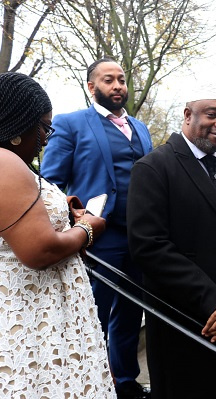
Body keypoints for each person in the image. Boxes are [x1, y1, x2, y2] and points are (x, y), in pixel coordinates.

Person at [127, 91, 216, 399]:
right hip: (192, 322)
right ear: (188, 115)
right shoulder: (153, 168)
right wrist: (208, 297)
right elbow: (148, 246)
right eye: (212, 114)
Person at [40, 58, 153, 399]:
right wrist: (72, 221)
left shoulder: (141, 128)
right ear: (92, 87)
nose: (118, 85)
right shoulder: (71, 123)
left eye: (121, 79)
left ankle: (125, 382)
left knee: (131, 315)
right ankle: (83, 386)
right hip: (96, 238)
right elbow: (51, 182)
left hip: (139, 236)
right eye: (109, 80)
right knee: (92, 315)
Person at [0, 72, 114, 397]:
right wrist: (88, 229)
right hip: (29, 315)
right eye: (44, 127)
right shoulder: (6, 162)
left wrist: (65, 209)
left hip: (40, 310)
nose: (47, 138)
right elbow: (40, 250)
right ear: (19, 123)